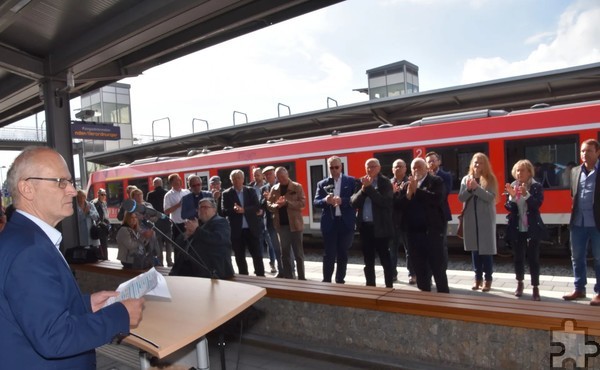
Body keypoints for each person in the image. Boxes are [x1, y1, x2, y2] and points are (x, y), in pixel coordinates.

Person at [0, 146, 143, 368]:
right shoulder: (29, 251)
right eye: (60, 182)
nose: (73, 191)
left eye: (69, 182)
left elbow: (31, 312)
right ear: (27, 188)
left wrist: (85, 305)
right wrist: (120, 315)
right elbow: (54, 338)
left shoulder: (22, 239)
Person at [397, 157, 449, 293]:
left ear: (426, 168)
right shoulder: (407, 185)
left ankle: (444, 298)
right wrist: (408, 195)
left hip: (432, 234)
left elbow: (437, 199)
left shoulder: (436, 181)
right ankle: (424, 299)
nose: (416, 170)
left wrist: (417, 191)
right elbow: (399, 206)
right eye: (414, 167)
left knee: (438, 269)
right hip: (413, 235)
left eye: (419, 167)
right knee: (421, 271)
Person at [505, 159, 548, 301]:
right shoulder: (513, 186)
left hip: (532, 228)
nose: (519, 173)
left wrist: (526, 195)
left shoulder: (536, 187)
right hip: (517, 228)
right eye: (517, 170)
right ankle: (520, 284)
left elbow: (537, 205)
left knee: (533, 259)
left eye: (522, 170)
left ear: (529, 172)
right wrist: (511, 196)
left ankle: (535, 288)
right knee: (518, 258)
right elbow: (510, 208)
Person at [563, 139, 600, 306]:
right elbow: (574, 195)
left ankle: (599, 292)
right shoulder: (575, 171)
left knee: (599, 258)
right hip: (578, 222)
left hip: (597, 223)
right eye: (583, 151)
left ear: (597, 152)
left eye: (589, 151)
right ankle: (579, 288)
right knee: (577, 257)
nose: (585, 154)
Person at [350, 158, 394, 288]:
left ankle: (389, 286)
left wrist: (369, 189)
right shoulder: (361, 182)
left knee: (385, 259)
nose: (370, 169)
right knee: (368, 260)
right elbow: (353, 202)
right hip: (365, 227)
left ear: (379, 168)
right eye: (368, 167)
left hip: (380, 227)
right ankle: (370, 286)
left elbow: (384, 202)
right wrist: (363, 190)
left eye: (373, 166)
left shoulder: (385, 182)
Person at [458, 153, 498, 292]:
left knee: (486, 251)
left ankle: (488, 280)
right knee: (475, 250)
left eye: (480, 163)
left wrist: (477, 188)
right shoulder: (466, 179)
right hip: (471, 219)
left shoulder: (490, 179)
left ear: (485, 165)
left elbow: (490, 197)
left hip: (485, 219)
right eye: (475, 162)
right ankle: (477, 279)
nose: (477, 165)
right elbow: (461, 198)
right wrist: (469, 189)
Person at [314, 156, 356, 284]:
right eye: (331, 167)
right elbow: (316, 202)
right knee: (329, 254)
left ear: (341, 167)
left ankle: (340, 280)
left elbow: (357, 199)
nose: (334, 170)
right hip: (330, 223)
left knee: (343, 253)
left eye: (336, 167)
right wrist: (325, 201)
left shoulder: (351, 181)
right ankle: (326, 280)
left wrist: (343, 201)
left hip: (345, 223)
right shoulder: (322, 184)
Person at [170, 198, 235, 279]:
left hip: (213, 270)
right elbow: (178, 244)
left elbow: (218, 239)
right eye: (199, 208)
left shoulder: (220, 222)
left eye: (205, 207)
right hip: (192, 269)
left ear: (214, 210)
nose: (201, 210)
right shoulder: (198, 223)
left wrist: (196, 230)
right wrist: (186, 235)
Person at [221, 169, 265, 276]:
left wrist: (244, 210)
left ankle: (261, 276)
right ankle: (244, 277)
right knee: (239, 256)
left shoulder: (250, 191)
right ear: (231, 180)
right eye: (234, 178)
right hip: (237, 230)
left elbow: (257, 206)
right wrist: (234, 210)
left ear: (243, 179)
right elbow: (223, 211)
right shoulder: (226, 194)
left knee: (257, 255)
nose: (236, 180)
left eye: (239, 178)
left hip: (252, 229)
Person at [266, 167, 306, 280]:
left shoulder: (297, 187)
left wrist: (287, 203)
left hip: (296, 225)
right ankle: (289, 277)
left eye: (283, 177)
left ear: (287, 174)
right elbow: (269, 204)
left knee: (298, 254)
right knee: (285, 253)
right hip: (281, 226)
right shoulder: (274, 188)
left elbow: (302, 203)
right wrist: (276, 205)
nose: (281, 179)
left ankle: (302, 277)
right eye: (279, 178)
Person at [426, 152, 452, 270]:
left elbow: (444, 194)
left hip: (441, 213)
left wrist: (433, 180)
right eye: (429, 161)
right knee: (428, 244)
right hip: (426, 215)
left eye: (433, 160)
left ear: (439, 162)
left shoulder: (446, 175)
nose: (431, 163)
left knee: (442, 244)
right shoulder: (423, 176)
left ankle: (442, 269)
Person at [250, 167, 277, 274]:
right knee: (258, 243)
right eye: (254, 175)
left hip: (266, 218)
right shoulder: (251, 187)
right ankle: (259, 265)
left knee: (270, 243)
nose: (256, 177)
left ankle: (272, 264)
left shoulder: (268, 187)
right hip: (255, 219)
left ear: (262, 175)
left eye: (258, 174)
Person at [390, 158, 412, 284]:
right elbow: (388, 203)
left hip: (406, 221)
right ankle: (392, 274)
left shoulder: (410, 182)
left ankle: (412, 273)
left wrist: (398, 194)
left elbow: (408, 203)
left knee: (409, 250)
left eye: (400, 166)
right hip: (392, 222)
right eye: (395, 166)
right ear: (392, 169)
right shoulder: (388, 183)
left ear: (405, 168)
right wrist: (396, 194)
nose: (398, 168)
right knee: (392, 250)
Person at [261, 166, 284, 277]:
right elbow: (261, 205)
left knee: (285, 247)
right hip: (270, 222)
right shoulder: (264, 188)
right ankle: (281, 271)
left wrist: (270, 198)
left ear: (274, 175)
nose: (268, 176)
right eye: (266, 175)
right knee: (275, 248)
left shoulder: (281, 185)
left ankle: (291, 270)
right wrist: (265, 199)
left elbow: (282, 202)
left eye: (270, 174)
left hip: (281, 221)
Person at [164, 173, 190, 265]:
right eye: (176, 181)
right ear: (171, 183)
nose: (179, 182)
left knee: (190, 247)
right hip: (177, 225)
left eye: (179, 180)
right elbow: (166, 211)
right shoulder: (168, 195)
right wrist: (178, 205)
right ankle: (178, 267)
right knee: (178, 248)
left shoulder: (186, 192)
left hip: (188, 224)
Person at [146, 177, 172, 266]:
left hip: (156, 223)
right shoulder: (167, 193)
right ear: (161, 184)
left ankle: (160, 262)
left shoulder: (150, 195)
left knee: (159, 244)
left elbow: (148, 209)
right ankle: (170, 261)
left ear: (154, 184)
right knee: (169, 243)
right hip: (167, 221)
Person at [93, 188, 111, 260]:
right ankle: (104, 257)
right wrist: (101, 223)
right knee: (102, 243)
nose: (104, 196)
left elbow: (106, 214)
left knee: (105, 242)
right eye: (102, 195)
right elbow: (96, 216)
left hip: (106, 224)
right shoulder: (95, 203)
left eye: (105, 195)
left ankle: (105, 257)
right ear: (98, 195)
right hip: (100, 225)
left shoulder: (104, 203)